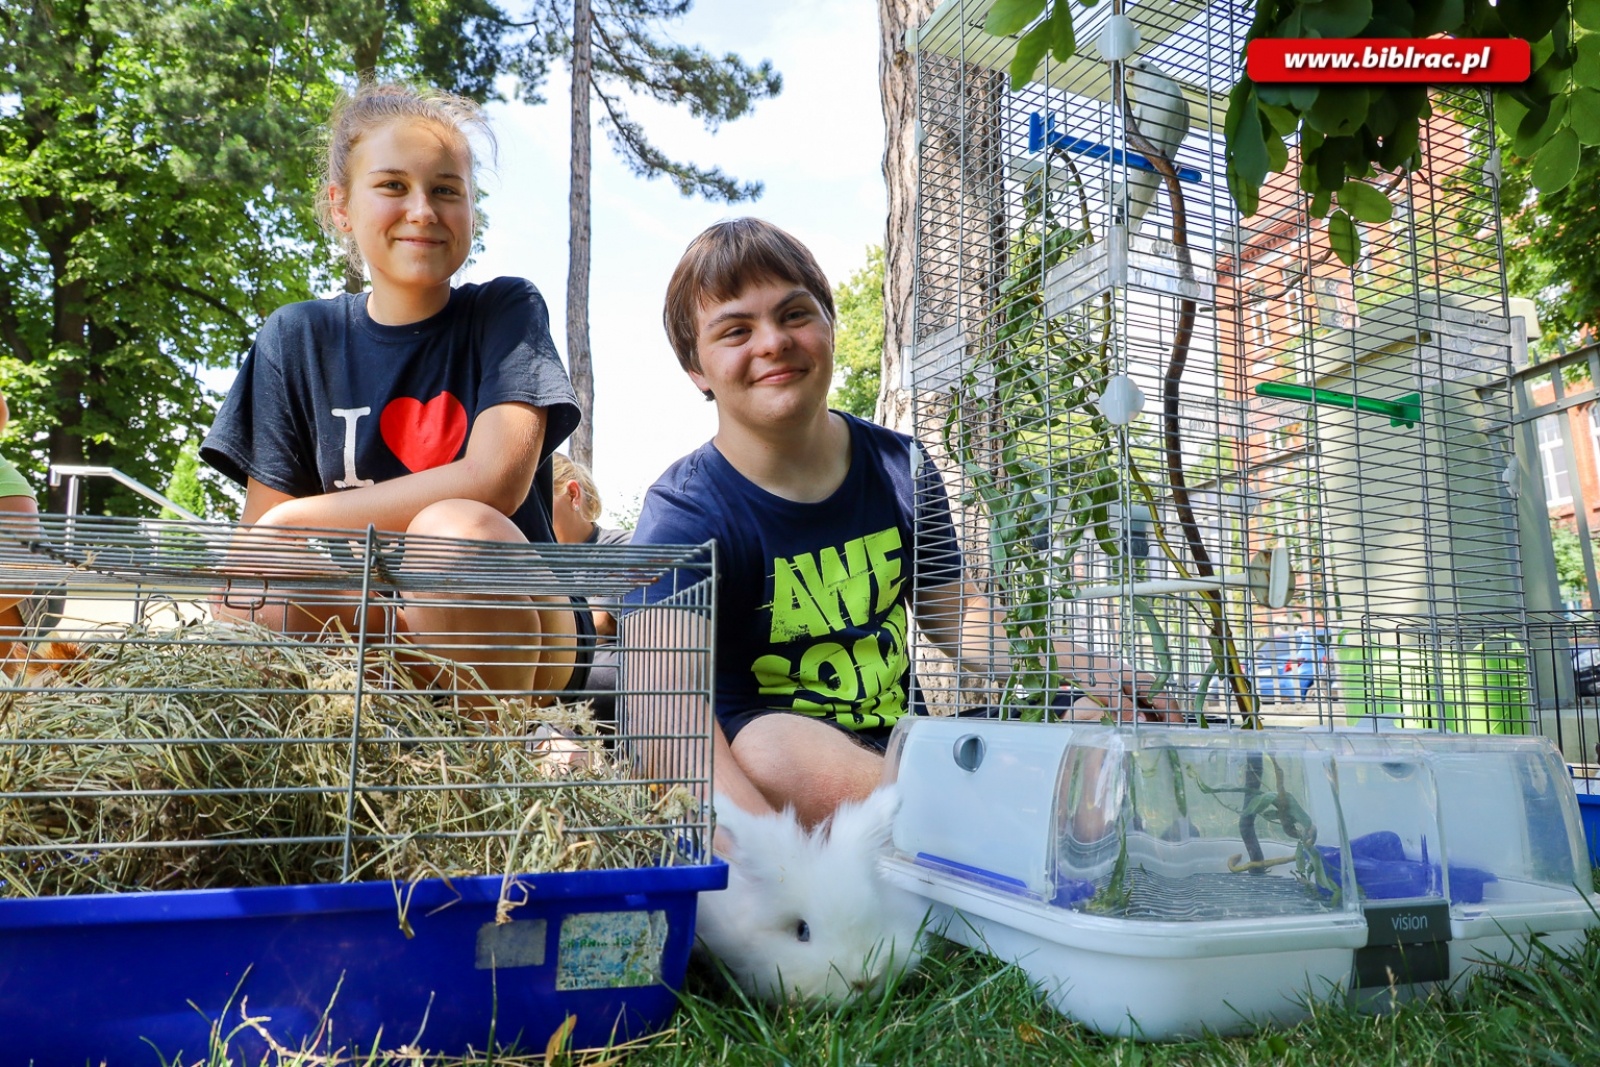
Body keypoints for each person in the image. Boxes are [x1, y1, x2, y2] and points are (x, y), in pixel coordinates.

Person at [624, 218, 1175, 829]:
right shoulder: (683, 511)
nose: (773, 342)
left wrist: (1096, 674)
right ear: (697, 369)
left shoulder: (899, 465)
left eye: (795, 314)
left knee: (1094, 722)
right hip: (785, 785)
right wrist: (765, 863)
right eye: (735, 330)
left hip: (907, 756)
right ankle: (1002, 825)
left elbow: (957, 614)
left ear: (829, 326)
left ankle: (983, 826)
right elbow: (662, 708)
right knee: (770, 749)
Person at [201, 84, 582, 699]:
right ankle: (357, 750)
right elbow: (264, 545)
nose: (423, 210)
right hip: (373, 630)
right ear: (341, 206)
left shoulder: (504, 311)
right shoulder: (295, 338)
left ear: (471, 209)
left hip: (522, 633)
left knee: (454, 532)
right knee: (258, 582)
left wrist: (298, 518)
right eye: (393, 185)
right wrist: (276, 544)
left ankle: (497, 760)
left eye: (446, 189)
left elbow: (495, 479)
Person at [550, 452, 631, 719]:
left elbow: (602, 623)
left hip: (600, 675)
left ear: (573, 494)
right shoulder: (535, 559)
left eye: (538, 502)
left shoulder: (623, 546)